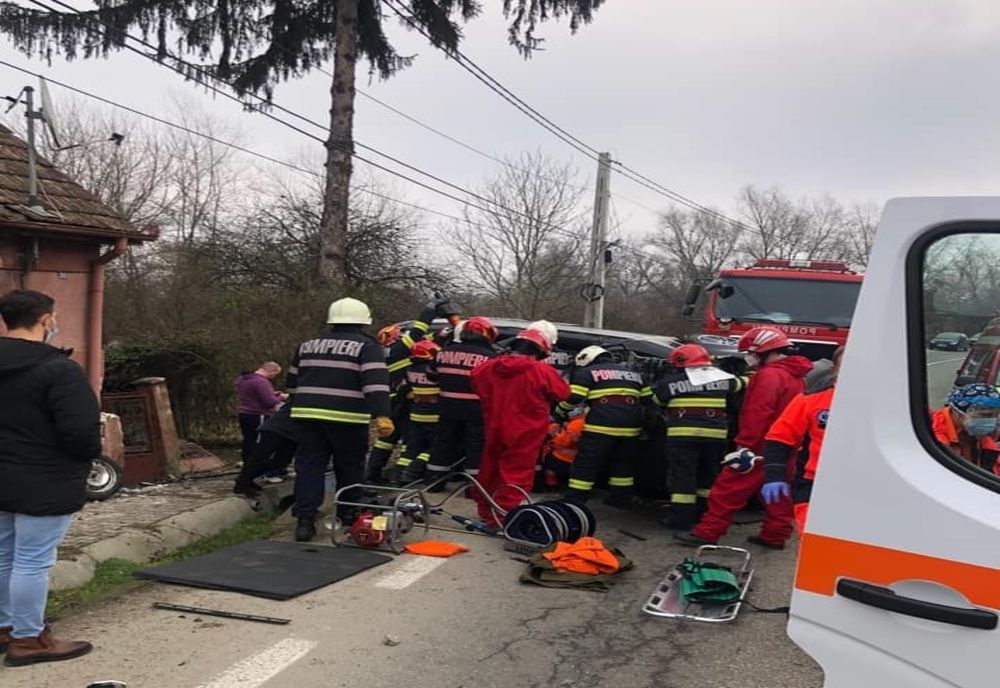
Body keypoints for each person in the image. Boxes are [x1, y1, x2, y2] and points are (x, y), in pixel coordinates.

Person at [0, 290, 99, 666]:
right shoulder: (58, 370)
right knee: (32, 561)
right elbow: (81, 433)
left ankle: (5, 626)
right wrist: (84, 459)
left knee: (2, 556)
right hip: (43, 478)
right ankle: (28, 639)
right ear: (46, 319)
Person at [676, 327, 813, 549]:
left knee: (727, 491)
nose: (749, 357)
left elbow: (757, 413)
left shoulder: (768, 376)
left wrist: (744, 446)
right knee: (777, 492)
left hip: (759, 446)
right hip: (786, 446)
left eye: (751, 353)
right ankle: (775, 535)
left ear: (763, 351)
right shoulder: (797, 377)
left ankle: (707, 532)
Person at [287, 298, 394, 542]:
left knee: (309, 467)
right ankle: (349, 516)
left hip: (307, 416)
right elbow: (375, 384)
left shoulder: (307, 345)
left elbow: (292, 383)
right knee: (349, 467)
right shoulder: (368, 347)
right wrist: (383, 414)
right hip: (348, 418)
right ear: (364, 322)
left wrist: (301, 405)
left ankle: (304, 522)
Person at [471, 322, 570, 528]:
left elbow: (476, 380)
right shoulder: (542, 371)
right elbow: (563, 393)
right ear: (541, 351)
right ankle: (503, 516)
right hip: (526, 430)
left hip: (494, 426)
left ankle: (485, 510)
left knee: (490, 469)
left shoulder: (489, 366)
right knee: (516, 473)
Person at [652, 344, 747, 531]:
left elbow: (657, 400)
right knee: (708, 476)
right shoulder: (724, 379)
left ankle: (681, 519)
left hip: (682, 436)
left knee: (682, 476)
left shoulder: (670, 382)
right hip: (715, 436)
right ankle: (702, 515)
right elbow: (742, 383)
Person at [366, 297, 459, 484]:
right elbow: (418, 332)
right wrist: (431, 309)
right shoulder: (400, 349)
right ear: (397, 338)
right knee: (412, 443)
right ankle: (404, 476)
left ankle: (375, 474)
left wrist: (443, 334)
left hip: (390, 404)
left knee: (387, 441)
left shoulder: (385, 353)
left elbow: (426, 343)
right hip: (407, 404)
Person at [760, 346, 844, 533]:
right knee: (814, 541)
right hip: (815, 484)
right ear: (834, 370)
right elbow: (779, 439)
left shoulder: (890, 402)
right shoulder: (811, 399)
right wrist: (774, 476)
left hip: (867, 485)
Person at [557, 345, 651, 507]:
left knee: (586, 464)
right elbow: (648, 400)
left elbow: (575, 397)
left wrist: (559, 411)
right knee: (623, 465)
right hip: (631, 428)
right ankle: (621, 499)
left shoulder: (586, 372)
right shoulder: (635, 374)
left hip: (600, 426)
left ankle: (575, 500)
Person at [424, 316, 499, 483]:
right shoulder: (491, 357)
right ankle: (473, 485)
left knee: (442, 443)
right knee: (475, 447)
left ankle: (434, 480)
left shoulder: (443, 352)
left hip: (447, 408)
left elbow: (431, 375)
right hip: (476, 410)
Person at [393, 339, 443, 484]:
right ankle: (414, 470)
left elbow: (404, 390)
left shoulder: (410, 369)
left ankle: (398, 474)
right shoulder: (433, 370)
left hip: (416, 415)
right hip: (435, 415)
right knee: (436, 447)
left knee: (413, 447)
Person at [929, 383, 1000, 475]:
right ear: (958, 414)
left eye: (995, 416)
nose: (991, 421)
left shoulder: (983, 438)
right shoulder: (932, 439)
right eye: (984, 415)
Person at [232, 403, 299, 498]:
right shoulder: (302, 400)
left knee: (281, 460)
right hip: (276, 429)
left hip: (289, 432)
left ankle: (247, 480)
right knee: (260, 457)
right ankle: (242, 484)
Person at [235, 362, 285, 469]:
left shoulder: (243, 379)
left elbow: (254, 395)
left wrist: (273, 394)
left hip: (244, 413)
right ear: (271, 371)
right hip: (258, 415)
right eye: (275, 374)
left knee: (249, 439)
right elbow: (269, 402)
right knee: (260, 441)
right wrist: (281, 397)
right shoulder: (261, 382)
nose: (274, 377)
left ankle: (247, 462)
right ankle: (255, 465)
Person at [538, 410, 585, 491]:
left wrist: (554, 439)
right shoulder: (589, 422)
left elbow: (565, 442)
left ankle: (552, 485)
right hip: (584, 459)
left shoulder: (576, 424)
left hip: (566, 459)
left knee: (548, 459)